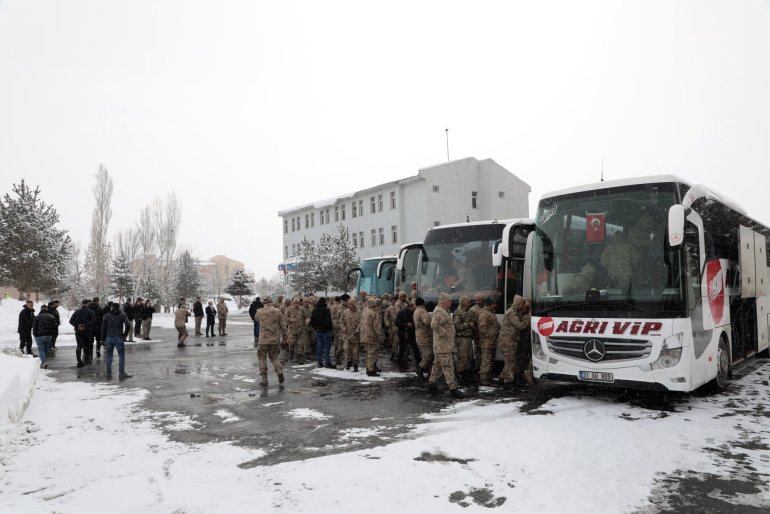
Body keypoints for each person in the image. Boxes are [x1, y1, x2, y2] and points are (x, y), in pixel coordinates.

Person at [429, 292, 463, 398]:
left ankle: (431, 385)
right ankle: (453, 389)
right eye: (449, 301)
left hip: (443, 345)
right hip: (443, 345)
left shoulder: (443, 311)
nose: (451, 303)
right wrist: (446, 334)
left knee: (437, 366)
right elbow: (434, 324)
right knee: (448, 367)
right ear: (444, 302)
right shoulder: (439, 311)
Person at [498, 295, 531, 388]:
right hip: (508, 342)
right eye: (521, 304)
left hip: (509, 341)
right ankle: (508, 382)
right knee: (510, 362)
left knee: (509, 361)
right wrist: (527, 317)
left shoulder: (514, 312)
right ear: (518, 304)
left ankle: (502, 378)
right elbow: (520, 325)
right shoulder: (512, 313)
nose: (522, 307)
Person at [255, 296, 286, 386]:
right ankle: (279, 371)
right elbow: (283, 324)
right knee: (274, 357)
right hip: (275, 339)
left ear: (263, 303)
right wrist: (285, 335)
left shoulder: (260, 312)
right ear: (272, 301)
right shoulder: (277, 311)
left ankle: (264, 379)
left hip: (263, 339)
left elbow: (256, 318)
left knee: (262, 358)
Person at [100, 301, 132, 380]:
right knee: (121, 356)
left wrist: (102, 339)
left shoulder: (107, 316)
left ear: (111, 307)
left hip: (109, 337)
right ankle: (121, 373)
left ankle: (109, 373)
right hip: (119, 337)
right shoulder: (122, 315)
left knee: (109, 356)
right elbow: (128, 325)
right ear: (119, 307)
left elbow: (103, 328)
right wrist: (124, 335)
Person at [477, 297, 500, 385]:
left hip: (492, 341)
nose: (495, 305)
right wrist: (491, 335)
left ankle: (489, 377)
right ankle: (483, 379)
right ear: (489, 304)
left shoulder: (491, 313)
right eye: (494, 303)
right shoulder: (484, 314)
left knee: (491, 360)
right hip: (486, 342)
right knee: (486, 360)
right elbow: (482, 328)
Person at [453, 295, 475, 385]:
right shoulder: (457, 313)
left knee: (469, 357)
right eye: (468, 302)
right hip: (461, 338)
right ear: (464, 302)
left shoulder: (470, 312)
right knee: (463, 359)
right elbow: (457, 327)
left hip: (469, 338)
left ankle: (467, 376)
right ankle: (460, 377)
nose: (470, 304)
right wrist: (468, 324)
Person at [360, 297, 384, 376]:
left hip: (364, 335)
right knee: (372, 353)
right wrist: (381, 338)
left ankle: (368, 367)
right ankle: (370, 371)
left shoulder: (365, 310)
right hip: (371, 336)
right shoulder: (373, 313)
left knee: (367, 353)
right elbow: (377, 328)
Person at [70, 299, 96, 367]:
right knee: (87, 345)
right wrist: (86, 326)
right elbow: (93, 321)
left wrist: (78, 325)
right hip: (87, 331)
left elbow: (71, 321)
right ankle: (87, 360)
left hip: (78, 331)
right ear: (88, 304)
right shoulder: (91, 312)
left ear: (82, 304)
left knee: (79, 345)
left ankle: (79, 360)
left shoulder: (77, 312)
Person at [396, 299, 420, 373]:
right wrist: (406, 324)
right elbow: (396, 323)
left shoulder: (415, 312)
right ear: (411, 306)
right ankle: (401, 366)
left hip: (412, 334)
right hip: (403, 334)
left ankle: (418, 367)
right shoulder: (402, 312)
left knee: (415, 350)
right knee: (402, 350)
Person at [310, 297, 334, 368]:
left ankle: (319, 363)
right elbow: (329, 321)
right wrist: (328, 328)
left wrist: (316, 327)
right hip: (326, 331)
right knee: (327, 347)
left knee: (319, 347)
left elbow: (312, 321)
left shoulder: (315, 311)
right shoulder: (327, 310)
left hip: (318, 331)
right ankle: (327, 362)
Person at [413, 297, 433, 382]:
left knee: (425, 354)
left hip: (420, 336)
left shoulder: (416, 311)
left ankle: (426, 371)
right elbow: (427, 322)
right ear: (423, 303)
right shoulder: (422, 311)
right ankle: (420, 369)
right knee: (427, 355)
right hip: (425, 337)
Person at [32, 304, 57, 369]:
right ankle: (44, 362)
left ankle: (44, 362)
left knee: (41, 350)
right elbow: (55, 326)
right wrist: (52, 334)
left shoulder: (37, 317)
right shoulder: (52, 317)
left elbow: (34, 327)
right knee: (46, 349)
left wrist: (35, 335)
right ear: (47, 309)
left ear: (41, 309)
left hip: (39, 335)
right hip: (49, 335)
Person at [340, 298, 362, 371]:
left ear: (354, 304)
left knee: (355, 351)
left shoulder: (359, 313)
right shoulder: (345, 312)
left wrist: (357, 330)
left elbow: (361, 323)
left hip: (355, 335)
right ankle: (348, 362)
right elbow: (341, 321)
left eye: (351, 304)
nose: (350, 306)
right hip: (347, 335)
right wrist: (343, 328)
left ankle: (355, 364)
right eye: (349, 304)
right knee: (347, 349)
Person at [285, 298, 308, 363]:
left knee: (300, 344)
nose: (296, 304)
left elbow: (305, 317)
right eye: (295, 303)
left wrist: (306, 320)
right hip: (292, 330)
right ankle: (291, 356)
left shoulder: (302, 309)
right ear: (292, 303)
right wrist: (290, 319)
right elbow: (285, 317)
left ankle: (299, 358)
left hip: (300, 330)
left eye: (297, 303)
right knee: (291, 344)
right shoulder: (289, 309)